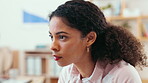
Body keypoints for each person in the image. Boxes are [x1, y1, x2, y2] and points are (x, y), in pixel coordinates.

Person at [48, 0, 147, 83]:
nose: (52, 47)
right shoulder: (67, 73)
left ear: (90, 38)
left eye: (62, 37)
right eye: (51, 37)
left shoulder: (123, 75)